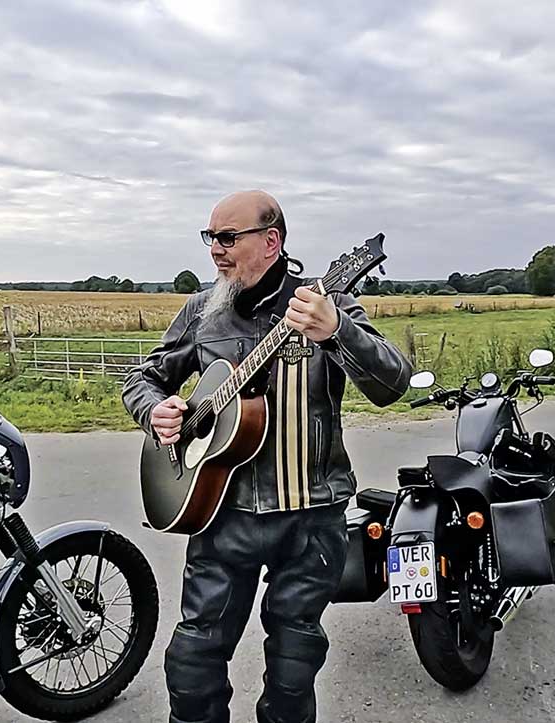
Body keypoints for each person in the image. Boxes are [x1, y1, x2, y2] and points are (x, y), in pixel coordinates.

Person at [121, 190, 411, 723]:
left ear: (271, 241)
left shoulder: (326, 305)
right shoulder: (202, 313)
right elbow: (142, 377)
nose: (216, 249)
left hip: (310, 521)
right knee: (192, 661)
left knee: (293, 667)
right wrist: (155, 411)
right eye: (211, 237)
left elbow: (394, 382)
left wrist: (337, 331)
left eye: (228, 237)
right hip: (220, 515)